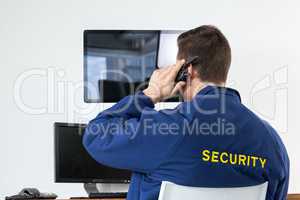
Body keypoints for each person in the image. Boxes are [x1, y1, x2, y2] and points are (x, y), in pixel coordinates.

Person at [83, 25, 289, 200]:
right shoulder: (272, 143)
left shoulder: (167, 128)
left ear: (187, 71)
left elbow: (95, 135)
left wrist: (150, 94)